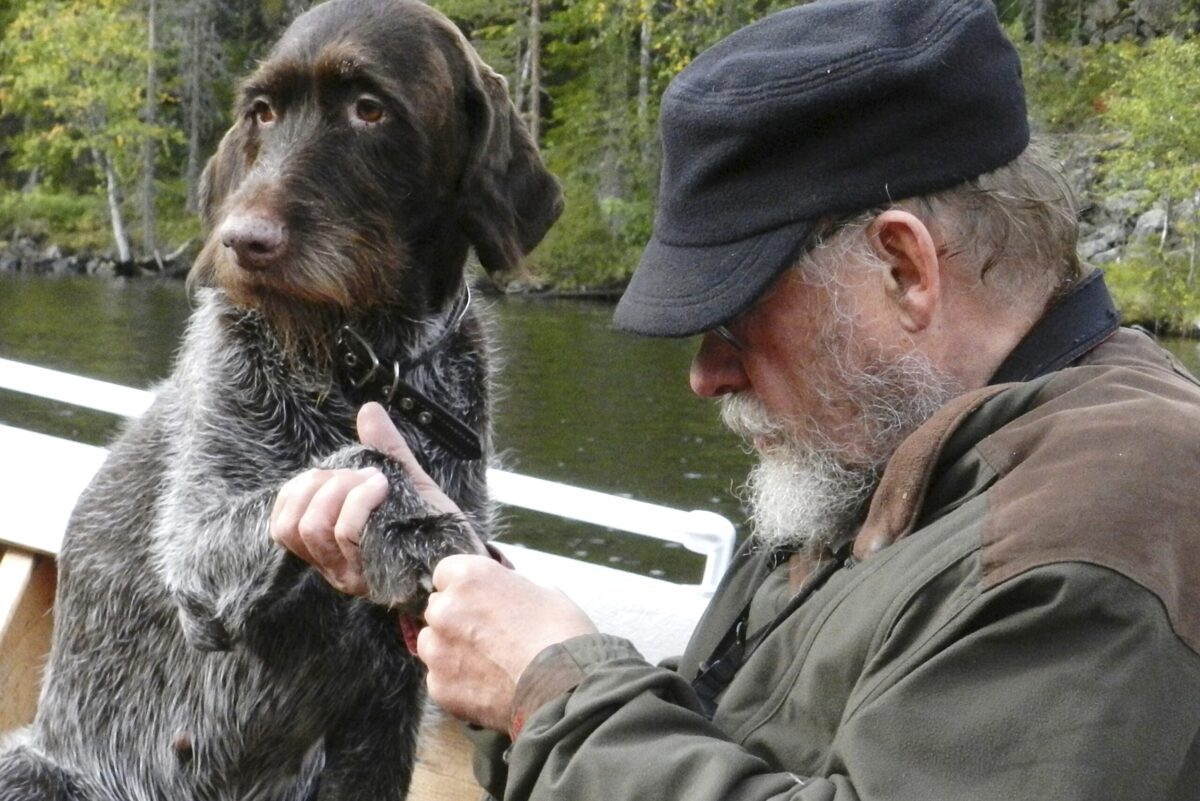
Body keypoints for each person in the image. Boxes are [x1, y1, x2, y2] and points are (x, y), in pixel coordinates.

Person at [271, 0, 1200, 798]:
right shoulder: (889, 445)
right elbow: (728, 732)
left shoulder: (1105, 525)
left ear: (904, 267)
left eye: (736, 314)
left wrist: (550, 685)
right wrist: (458, 585)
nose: (706, 374)